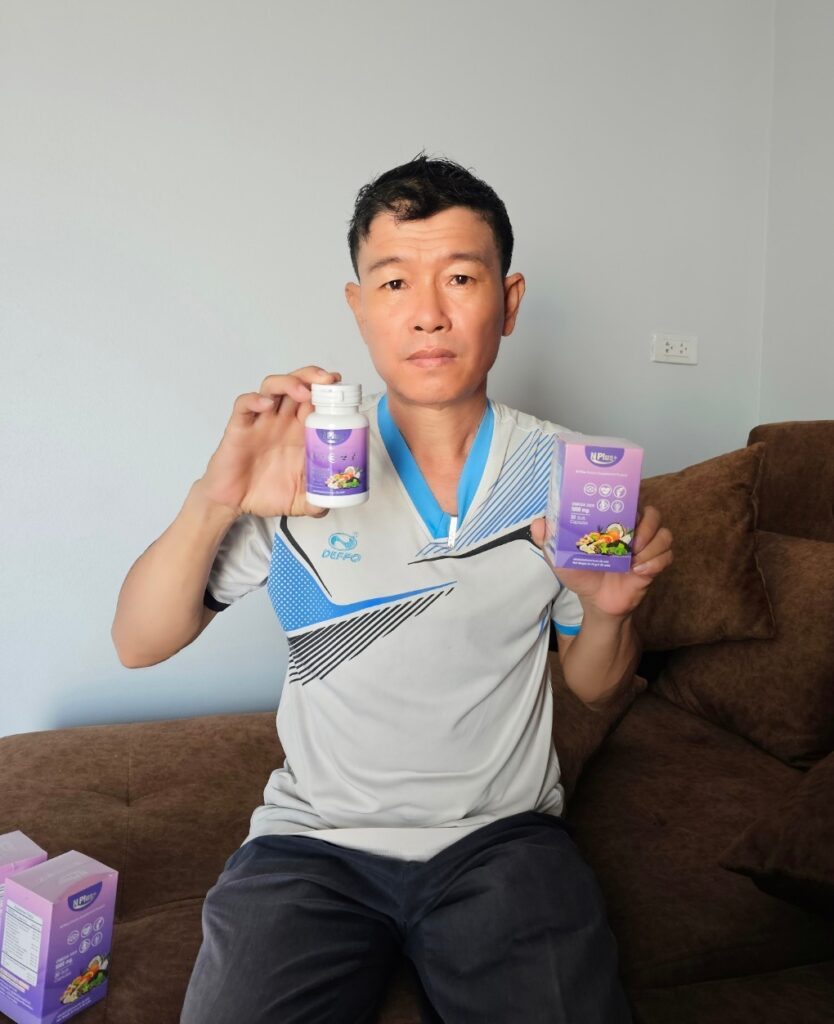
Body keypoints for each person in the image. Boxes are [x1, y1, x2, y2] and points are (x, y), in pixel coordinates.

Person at [112, 153, 673, 1024]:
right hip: (312, 845)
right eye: (394, 281)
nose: (428, 312)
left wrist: (607, 614)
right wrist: (214, 498)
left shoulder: (569, 474)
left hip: (501, 843)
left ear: (509, 302)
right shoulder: (303, 465)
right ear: (359, 305)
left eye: (460, 278)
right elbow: (137, 643)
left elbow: (596, 685)